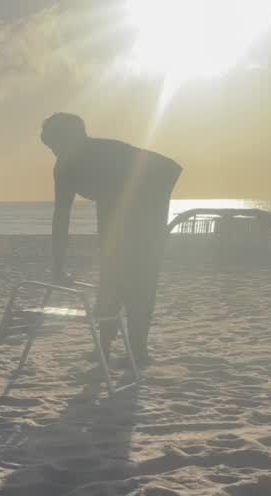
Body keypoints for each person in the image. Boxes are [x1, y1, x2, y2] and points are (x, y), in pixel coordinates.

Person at [42, 113, 181, 367]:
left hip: (145, 210)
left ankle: (137, 351)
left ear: (75, 136)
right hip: (114, 214)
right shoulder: (64, 167)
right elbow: (61, 215)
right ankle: (104, 349)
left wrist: (144, 205)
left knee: (140, 284)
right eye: (50, 146)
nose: (54, 151)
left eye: (56, 143)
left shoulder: (109, 151)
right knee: (110, 279)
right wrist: (57, 265)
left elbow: (170, 168)